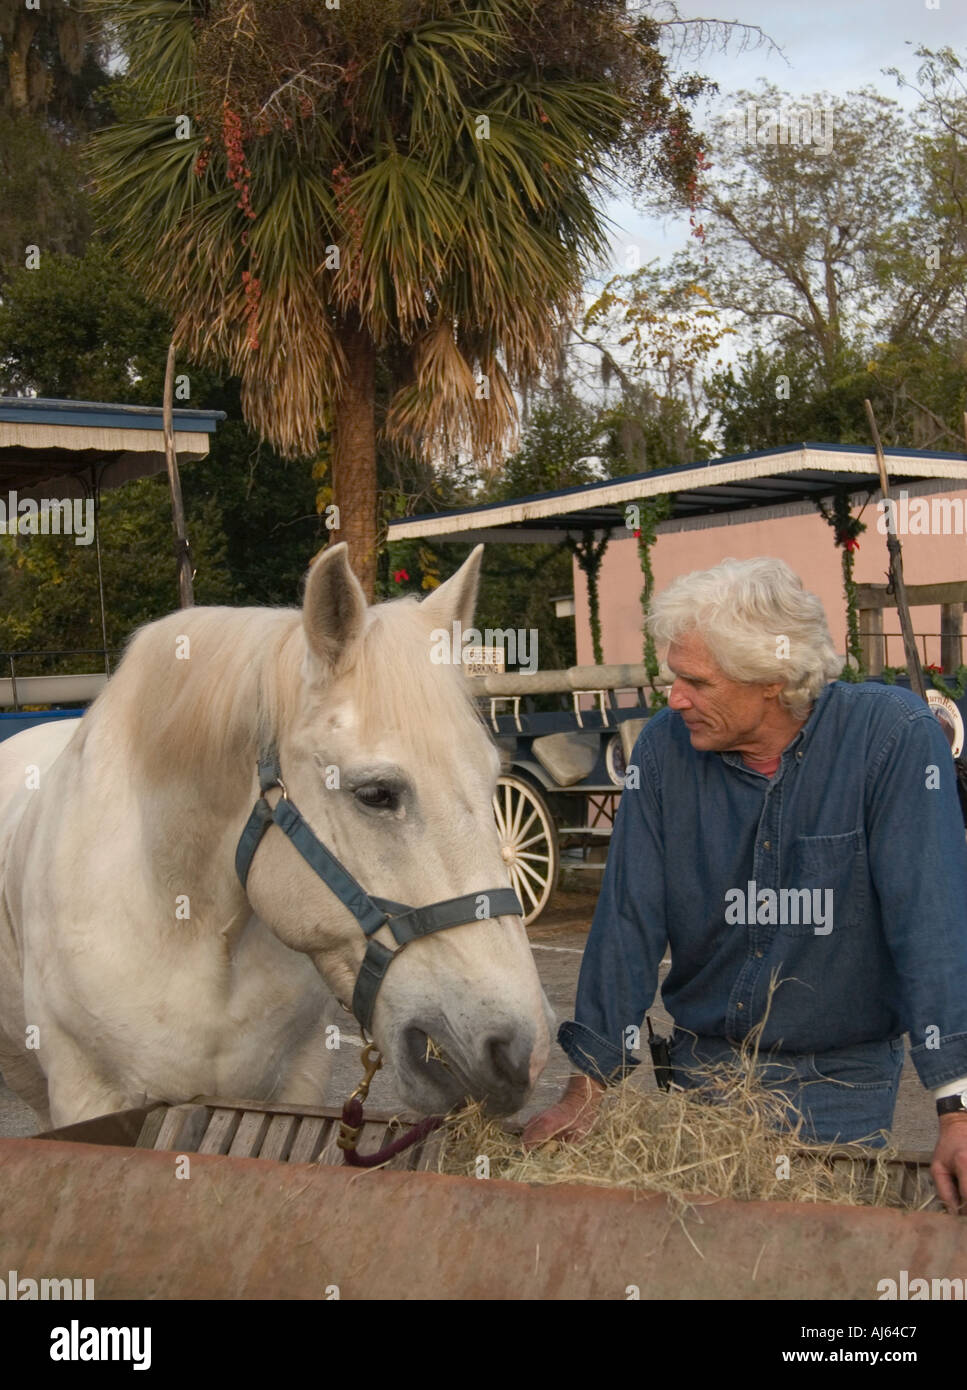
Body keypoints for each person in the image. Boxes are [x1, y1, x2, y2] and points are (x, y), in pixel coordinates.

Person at [523, 557, 967, 1215]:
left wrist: (955, 1109)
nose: (673, 698)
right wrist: (587, 1087)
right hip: (703, 1078)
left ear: (772, 680)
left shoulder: (889, 738)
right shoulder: (664, 753)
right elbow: (627, 918)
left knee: (817, 1272)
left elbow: (927, 920)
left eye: (694, 681)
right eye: (673, 677)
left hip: (838, 1082)